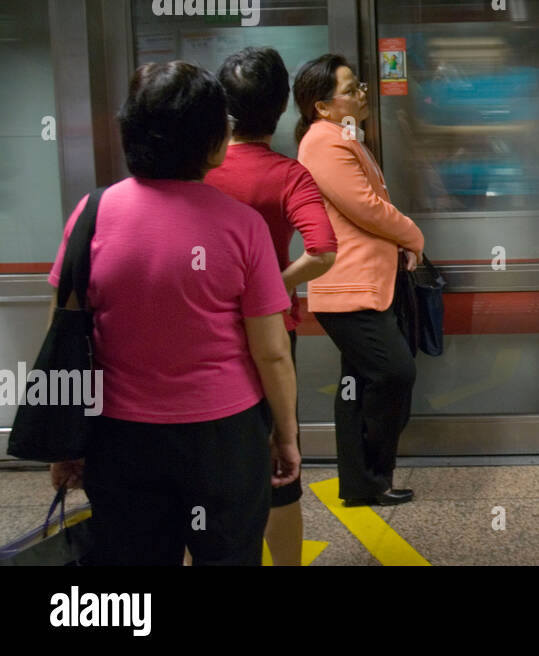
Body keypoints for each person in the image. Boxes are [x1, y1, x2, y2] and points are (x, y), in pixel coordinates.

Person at [48, 61, 300, 565]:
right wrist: (286, 435)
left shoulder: (91, 213)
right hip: (224, 438)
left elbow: (65, 334)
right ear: (212, 141)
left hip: (120, 437)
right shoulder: (242, 226)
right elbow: (271, 353)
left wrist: (67, 437)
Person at [206, 47, 337, 565]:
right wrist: (272, 288)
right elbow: (323, 250)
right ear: (282, 108)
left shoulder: (194, 172)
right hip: (271, 336)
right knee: (279, 469)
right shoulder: (288, 175)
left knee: (206, 470)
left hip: (202, 334)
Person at [294, 55, 424, 507]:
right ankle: (368, 478)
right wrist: (412, 234)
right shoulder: (323, 143)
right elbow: (364, 206)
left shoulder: (343, 136)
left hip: (365, 281)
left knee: (360, 382)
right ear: (322, 106)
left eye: (359, 86)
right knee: (393, 372)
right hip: (348, 284)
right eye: (351, 90)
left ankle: (366, 484)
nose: (362, 94)